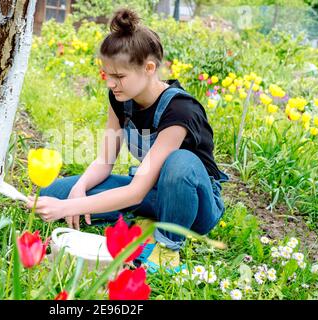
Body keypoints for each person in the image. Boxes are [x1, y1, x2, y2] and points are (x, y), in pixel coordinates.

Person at [26, 8, 229, 274]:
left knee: (180, 163)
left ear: (149, 68)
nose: (111, 83)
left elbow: (135, 191)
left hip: (195, 206)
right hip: (152, 192)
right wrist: (79, 189)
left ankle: (167, 246)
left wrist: (70, 207)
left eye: (119, 76)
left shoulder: (180, 110)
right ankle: (144, 222)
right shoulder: (120, 99)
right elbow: (104, 161)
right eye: (107, 75)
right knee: (51, 195)